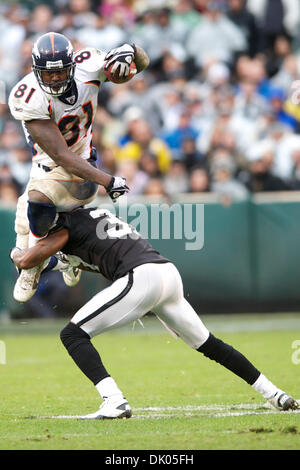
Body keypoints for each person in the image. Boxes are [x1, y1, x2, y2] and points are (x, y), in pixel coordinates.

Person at [10, 206, 299, 419]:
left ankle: (114, 401)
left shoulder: (64, 224)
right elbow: (100, 258)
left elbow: (30, 258)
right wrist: (63, 263)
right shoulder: (95, 214)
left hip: (141, 278)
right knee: (210, 344)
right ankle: (275, 394)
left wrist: (20, 255)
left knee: (73, 334)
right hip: (166, 273)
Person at [8, 31, 150, 303]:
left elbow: (141, 62)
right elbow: (60, 154)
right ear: (36, 71)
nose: (55, 79)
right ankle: (67, 257)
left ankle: (37, 263)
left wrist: (129, 53)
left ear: (72, 65)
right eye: (48, 75)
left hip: (82, 170)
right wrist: (108, 180)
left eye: (60, 72)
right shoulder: (27, 96)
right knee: (22, 220)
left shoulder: (90, 65)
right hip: (50, 168)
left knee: (35, 202)